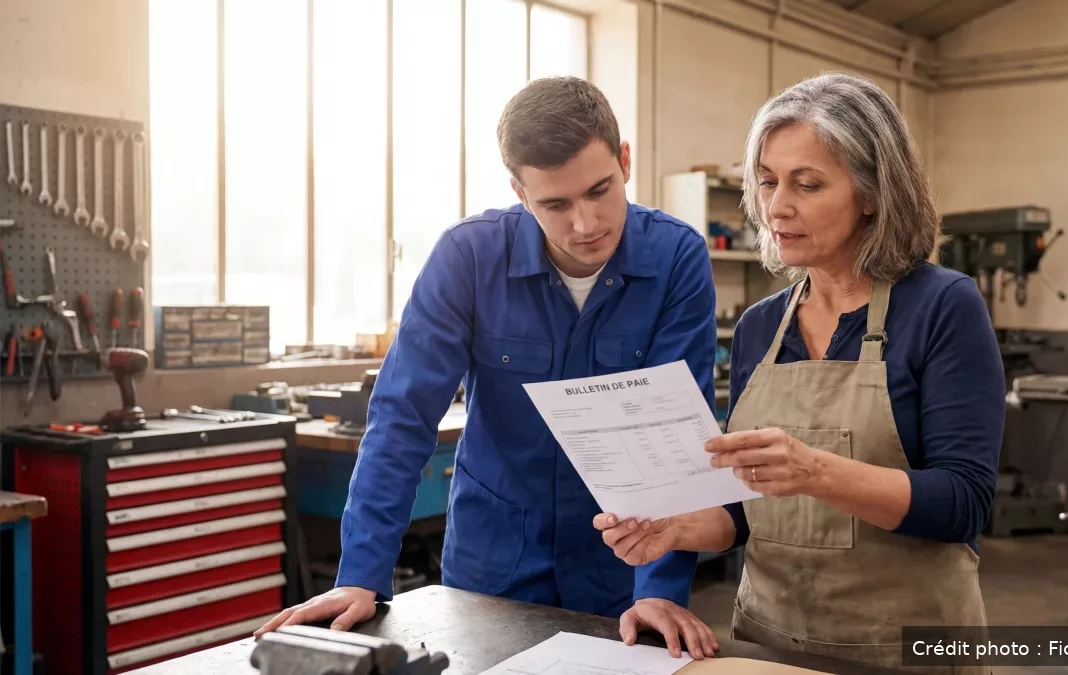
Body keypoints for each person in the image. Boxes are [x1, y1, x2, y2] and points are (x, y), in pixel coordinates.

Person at [256, 76, 721, 659]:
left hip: (620, 573)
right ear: (520, 193)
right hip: (492, 565)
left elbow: (672, 439)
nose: (585, 224)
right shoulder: (469, 258)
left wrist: (659, 590)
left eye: (600, 190)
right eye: (555, 204)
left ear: (625, 161)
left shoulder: (677, 257)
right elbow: (402, 418)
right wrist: (361, 575)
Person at [594, 72, 1005, 672]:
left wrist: (814, 469)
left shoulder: (943, 306)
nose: (776, 206)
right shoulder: (762, 327)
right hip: (772, 648)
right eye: (767, 181)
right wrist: (675, 528)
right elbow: (743, 512)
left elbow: (964, 504)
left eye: (807, 184)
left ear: (872, 193)